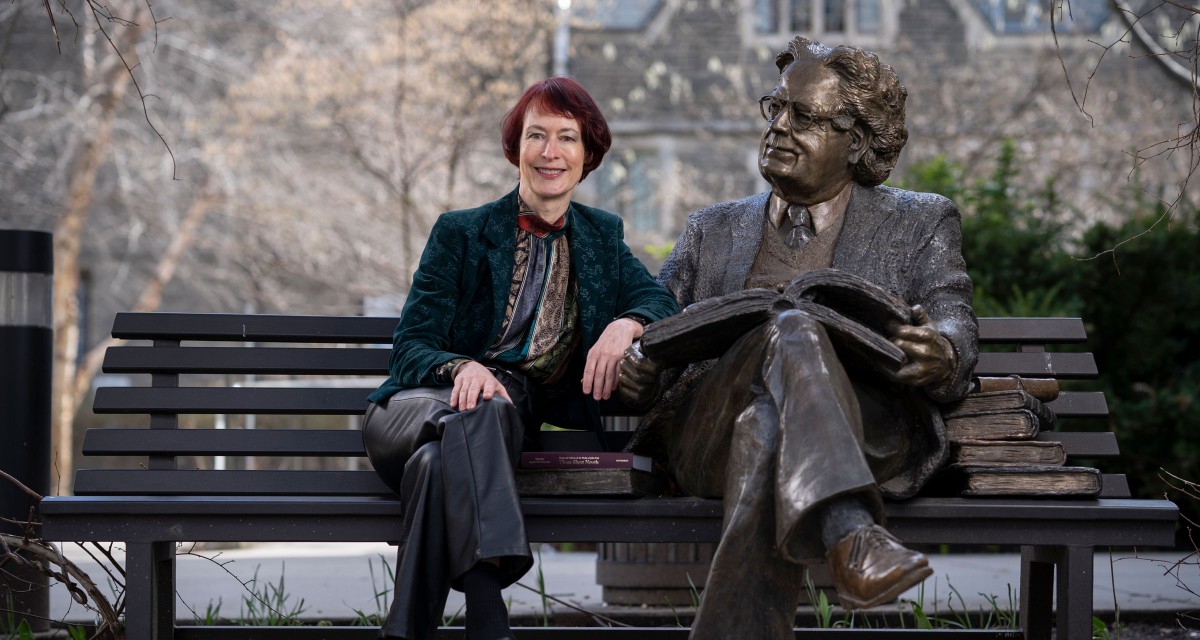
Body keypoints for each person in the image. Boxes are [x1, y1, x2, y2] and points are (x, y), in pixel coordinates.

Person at [618, 37, 979, 639]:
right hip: (707, 431)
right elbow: (655, 325)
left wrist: (941, 349)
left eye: (805, 117)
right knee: (790, 325)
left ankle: (839, 528)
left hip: (865, 429)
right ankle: (852, 531)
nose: (780, 127)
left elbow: (951, 312)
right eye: (776, 108)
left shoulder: (919, 220)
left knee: (766, 424)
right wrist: (639, 363)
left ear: (856, 141)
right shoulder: (712, 228)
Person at [363, 77, 679, 640]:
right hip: (412, 415)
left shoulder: (600, 238)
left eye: (566, 138)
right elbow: (409, 347)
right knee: (482, 408)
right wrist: (462, 367)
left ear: (588, 156)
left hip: (480, 439)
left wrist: (625, 325)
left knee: (444, 462)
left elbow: (660, 300)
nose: (550, 152)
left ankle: (406, 631)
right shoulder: (460, 232)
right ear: (516, 150)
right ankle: (489, 611)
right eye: (536, 136)